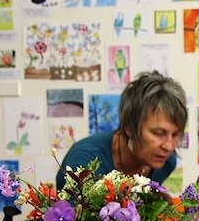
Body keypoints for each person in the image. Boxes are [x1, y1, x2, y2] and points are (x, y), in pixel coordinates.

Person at [56, 71, 187, 188]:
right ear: (130, 126)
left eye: (176, 134)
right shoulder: (84, 160)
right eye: (158, 133)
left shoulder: (166, 163)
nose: (169, 146)